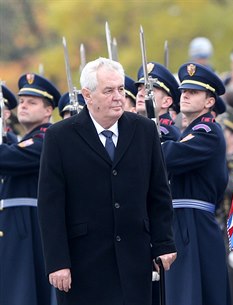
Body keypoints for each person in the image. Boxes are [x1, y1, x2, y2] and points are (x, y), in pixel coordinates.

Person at [37, 57, 177, 305]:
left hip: (135, 258)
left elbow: (159, 192)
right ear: (88, 96)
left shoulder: (144, 131)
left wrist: (164, 242)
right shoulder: (60, 137)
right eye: (109, 90)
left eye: (121, 89)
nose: (118, 96)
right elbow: (51, 206)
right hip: (83, 263)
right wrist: (57, 262)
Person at [161, 62, 231, 305]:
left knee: (191, 293)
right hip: (179, 221)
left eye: (193, 92)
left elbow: (168, 156)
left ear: (209, 101)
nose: (185, 96)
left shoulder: (207, 131)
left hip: (193, 223)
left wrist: (147, 137)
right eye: (183, 92)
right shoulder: (188, 133)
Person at [0, 74, 60, 305]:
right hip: (16, 227)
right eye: (22, 100)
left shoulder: (48, 139)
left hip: (29, 227)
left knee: (23, 291)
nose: (23, 105)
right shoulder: (21, 141)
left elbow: (9, 158)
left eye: (32, 102)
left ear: (48, 111)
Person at [135, 62, 181, 142]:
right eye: (139, 89)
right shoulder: (140, 128)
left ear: (166, 102)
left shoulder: (167, 134)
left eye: (148, 90)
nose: (140, 94)